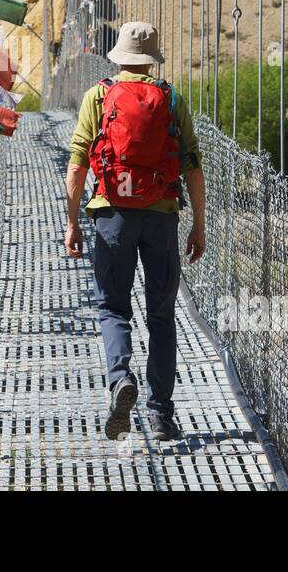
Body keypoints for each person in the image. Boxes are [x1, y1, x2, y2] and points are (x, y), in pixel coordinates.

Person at [64, 22, 206, 442]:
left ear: (118, 55)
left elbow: (77, 167)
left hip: (112, 216)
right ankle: (161, 415)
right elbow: (193, 167)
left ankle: (120, 379)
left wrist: (72, 221)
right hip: (162, 215)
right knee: (161, 316)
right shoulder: (171, 97)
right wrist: (199, 223)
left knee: (113, 308)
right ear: (151, 59)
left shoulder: (98, 96)